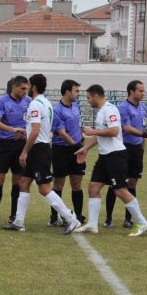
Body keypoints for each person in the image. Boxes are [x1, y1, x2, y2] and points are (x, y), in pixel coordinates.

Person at [2, 74, 81, 234]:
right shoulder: (45, 102)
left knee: (44, 188)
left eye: (28, 85)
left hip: (38, 150)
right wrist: (27, 132)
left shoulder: (35, 104)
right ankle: (19, 221)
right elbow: (39, 128)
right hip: (39, 148)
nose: (26, 88)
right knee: (23, 183)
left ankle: (71, 219)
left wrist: (24, 151)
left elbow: (37, 130)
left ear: (34, 87)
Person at [74, 84, 147, 236]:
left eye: (89, 98)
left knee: (120, 190)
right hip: (104, 156)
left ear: (96, 96)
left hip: (115, 155)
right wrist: (85, 148)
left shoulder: (109, 109)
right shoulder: (102, 111)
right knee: (93, 188)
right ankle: (92, 224)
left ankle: (142, 222)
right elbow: (100, 134)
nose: (88, 101)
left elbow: (115, 131)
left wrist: (93, 131)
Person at [104, 80, 147, 228]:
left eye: (143, 91)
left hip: (136, 151)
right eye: (140, 91)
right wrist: (145, 135)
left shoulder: (143, 108)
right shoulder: (122, 108)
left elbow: (141, 129)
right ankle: (108, 218)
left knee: (133, 183)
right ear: (131, 92)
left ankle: (128, 219)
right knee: (115, 184)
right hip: (123, 148)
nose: (143, 93)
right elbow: (127, 128)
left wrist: (142, 148)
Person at [0, 75, 31, 225]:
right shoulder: (2, 101)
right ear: (14, 87)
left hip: (21, 145)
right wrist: (12, 129)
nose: (26, 91)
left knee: (18, 180)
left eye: (27, 88)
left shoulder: (29, 102)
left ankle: (13, 215)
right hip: (4, 144)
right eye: (23, 88)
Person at [49, 79, 85, 226]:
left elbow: (78, 127)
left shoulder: (76, 106)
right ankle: (54, 217)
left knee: (77, 183)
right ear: (67, 92)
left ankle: (78, 215)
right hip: (61, 150)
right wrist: (79, 147)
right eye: (76, 91)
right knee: (58, 184)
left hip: (77, 148)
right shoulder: (57, 110)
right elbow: (62, 133)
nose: (78, 94)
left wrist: (81, 143)